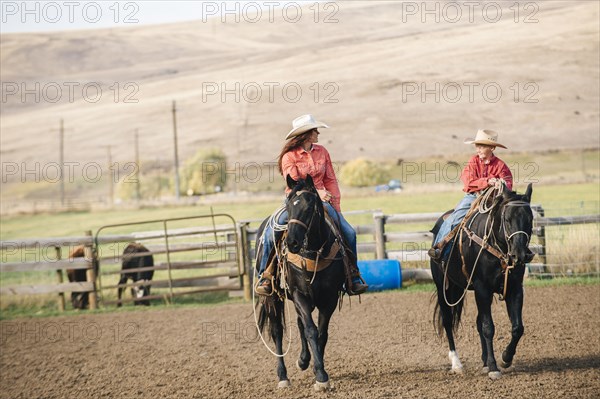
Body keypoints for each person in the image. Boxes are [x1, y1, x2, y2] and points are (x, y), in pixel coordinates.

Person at [255, 114, 369, 296]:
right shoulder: (288, 157)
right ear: (306, 134)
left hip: (324, 201)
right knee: (270, 232)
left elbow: (330, 179)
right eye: (315, 130)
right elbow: (295, 182)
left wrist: (336, 208)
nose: (318, 133)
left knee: (349, 233)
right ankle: (265, 276)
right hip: (296, 201)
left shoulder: (322, 152)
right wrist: (318, 192)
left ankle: (353, 277)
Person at [428, 129, 513, 261]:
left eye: (482, 146)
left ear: (492, 148)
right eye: (477, 146)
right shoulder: (473, 161)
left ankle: (516, 253)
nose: (478, 149)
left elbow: (508, 183)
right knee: (454, 219)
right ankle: (439, 249)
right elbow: (468, 182)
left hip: (494, 200)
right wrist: (488, 181)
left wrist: (502, 184)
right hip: (473, 197)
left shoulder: (501, 166)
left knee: (514, 220)